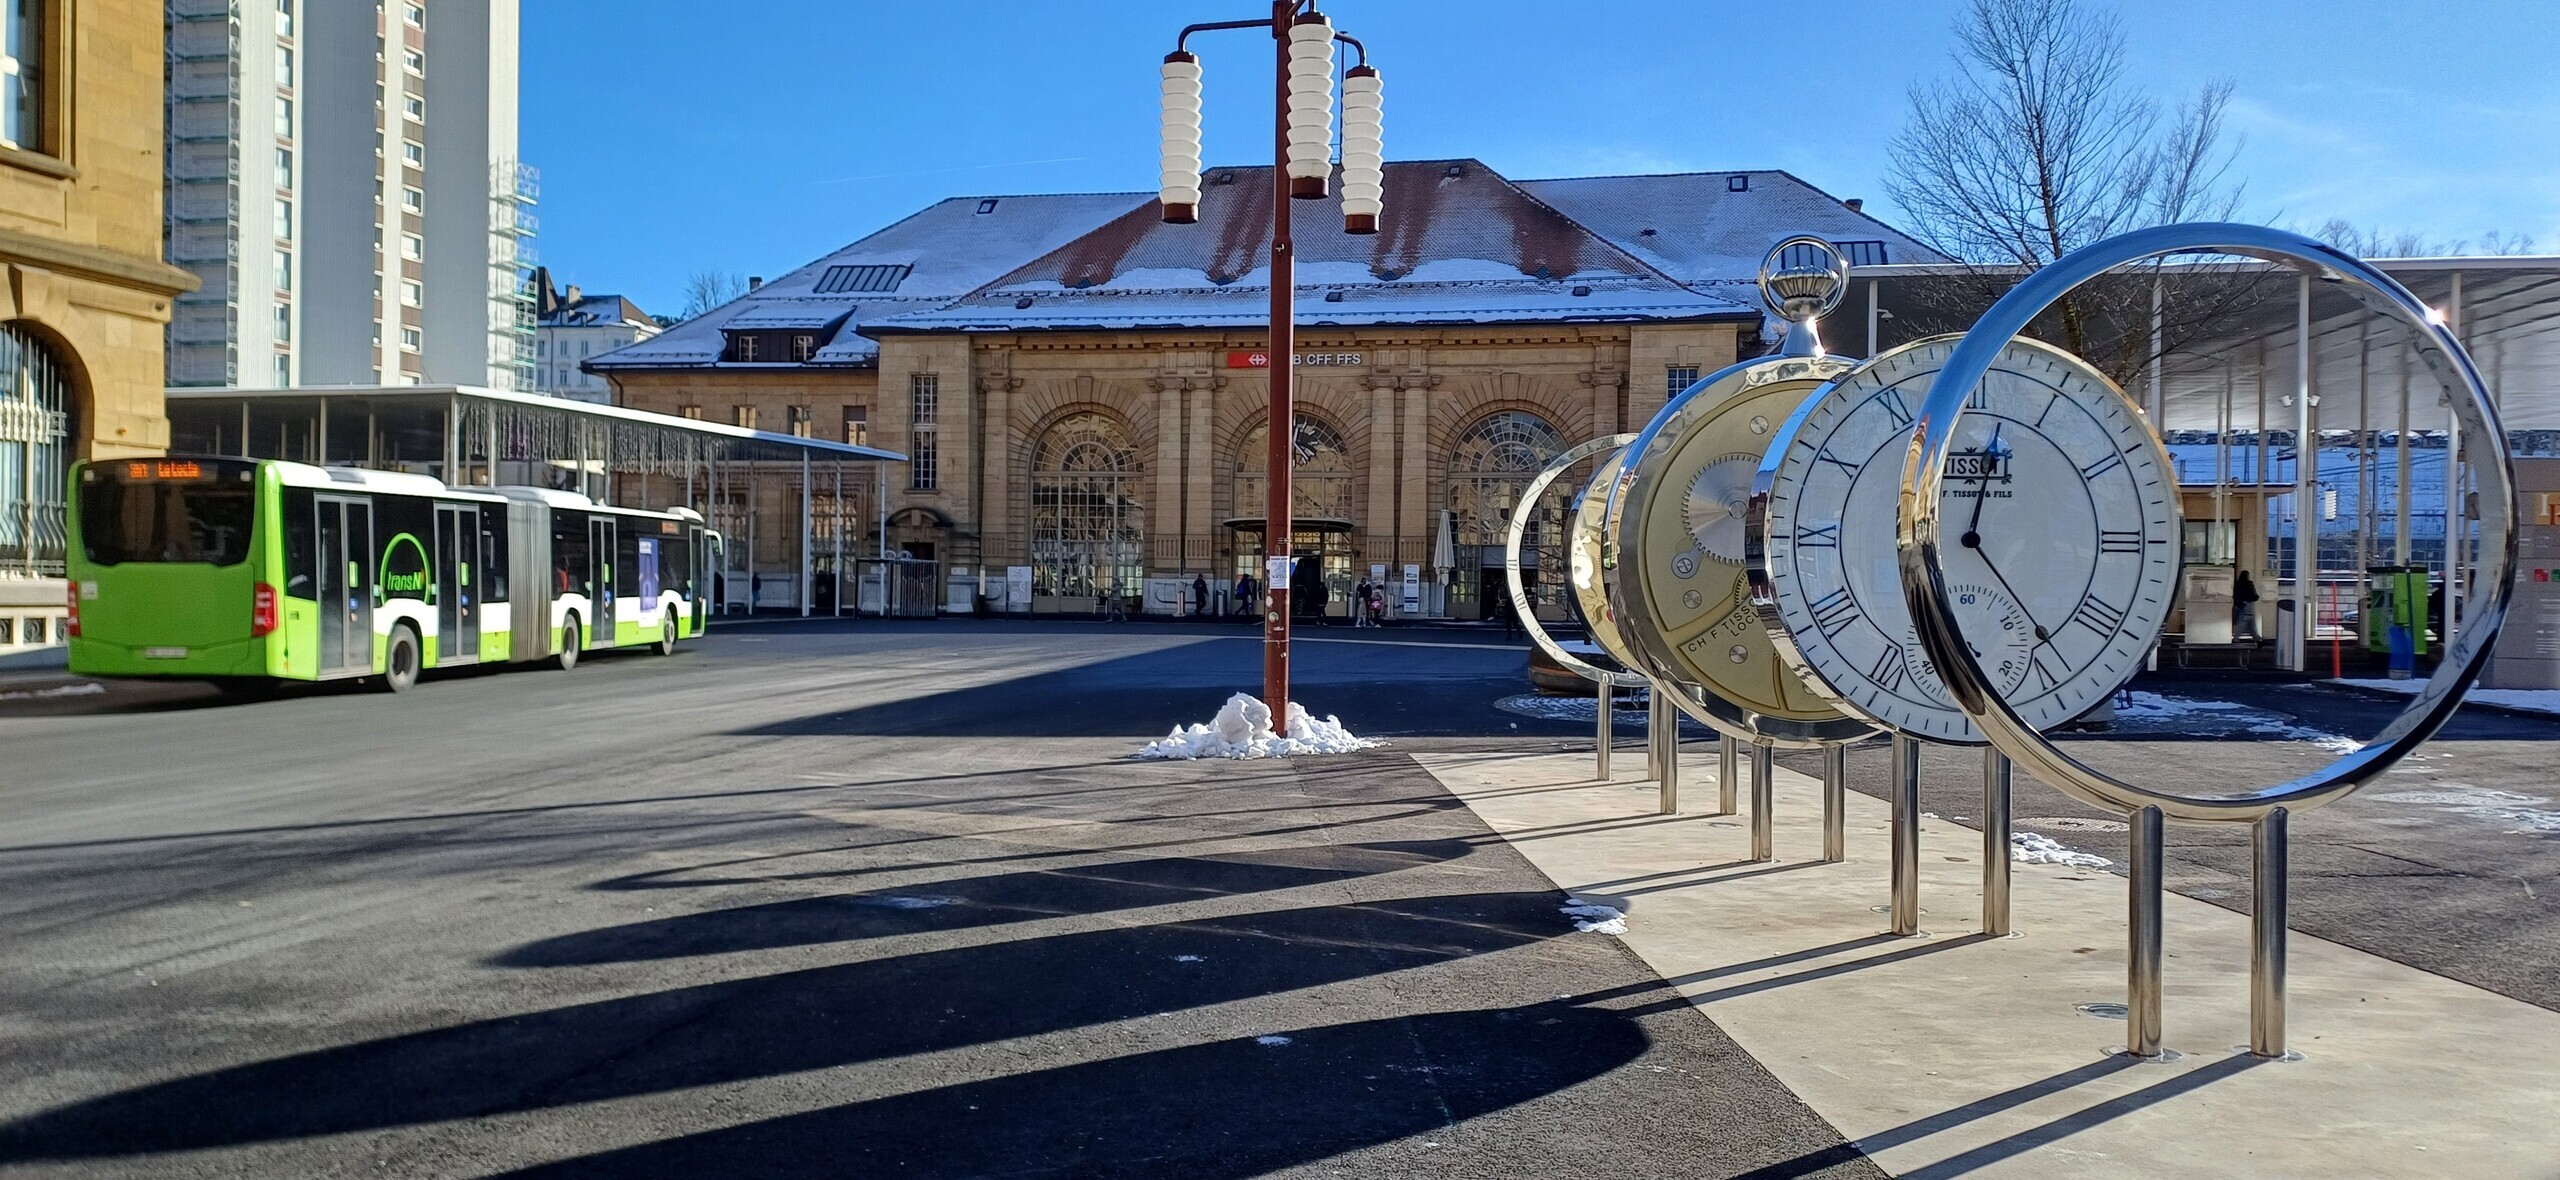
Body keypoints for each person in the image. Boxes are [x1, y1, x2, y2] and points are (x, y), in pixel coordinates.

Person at [2233, 569, 2260, 640]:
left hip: (2238, 604)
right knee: (2245, 621)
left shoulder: (2237, 583)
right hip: (2248, 604)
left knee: (2246, 621)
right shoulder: (2249, 583)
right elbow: (2253, 595)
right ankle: (2237, 637)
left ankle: (2256, 637)